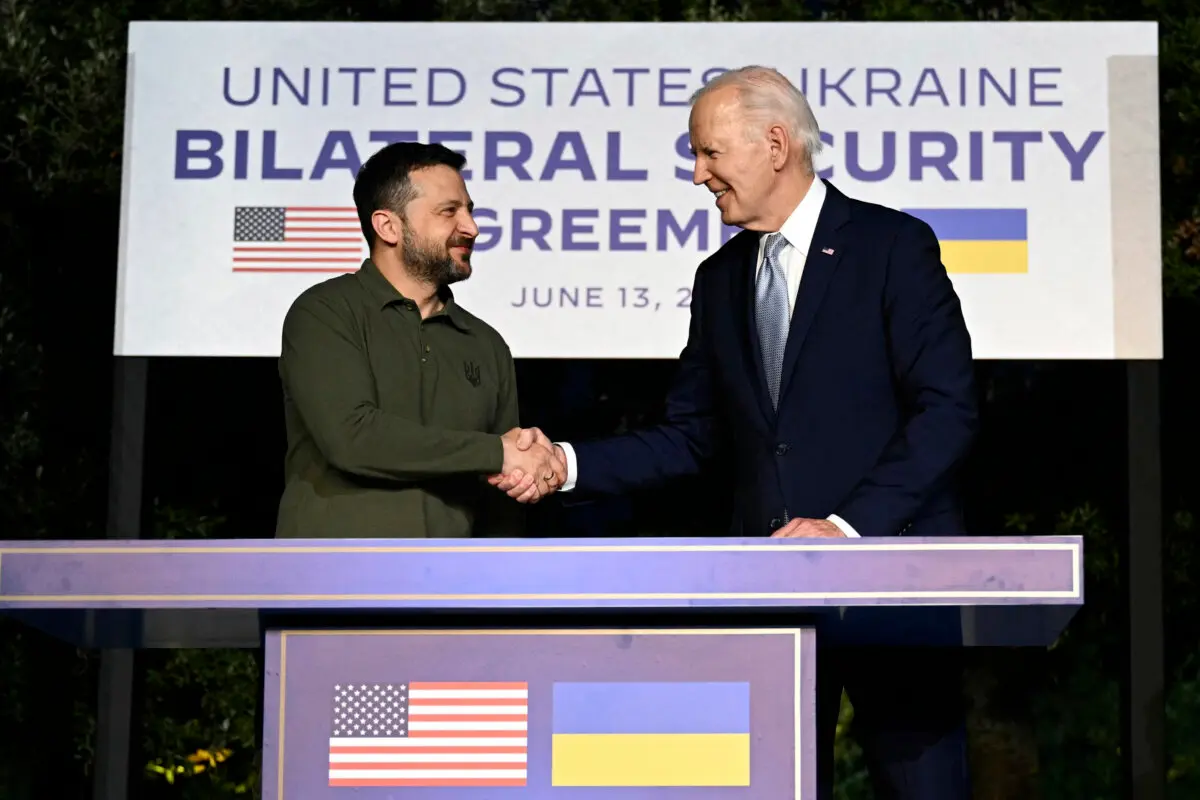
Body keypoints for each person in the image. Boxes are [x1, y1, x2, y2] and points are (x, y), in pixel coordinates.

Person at [491, 67, 979, 798]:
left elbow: (948, 410)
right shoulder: (720, 278)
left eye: (709, 152)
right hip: (770, 600)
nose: (697, 175)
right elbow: (692, 435)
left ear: (775, 144)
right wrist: (564, 463)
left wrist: (846, 528)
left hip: (893, 583)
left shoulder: (892, 247)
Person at [274, 141, 565, 539]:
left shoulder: (485, 343)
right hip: (332, 586)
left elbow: (501, 496)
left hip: (448, 590)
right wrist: (498, 452)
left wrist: (498, 585)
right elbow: (353, 438)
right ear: (388, 226)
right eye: (449, 212)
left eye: (469, 210)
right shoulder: (325, 312)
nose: (471, 227)